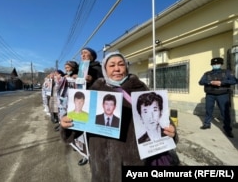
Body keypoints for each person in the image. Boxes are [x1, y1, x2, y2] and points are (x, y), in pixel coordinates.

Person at [60, 51, 178, 182]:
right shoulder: (95, 90)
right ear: (105, 69)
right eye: (112, 65)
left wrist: (170, 129)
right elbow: (80, 119)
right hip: (102, 162)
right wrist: (67, 124)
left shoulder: (140, 88)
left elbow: (159, 116)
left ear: (126, 68)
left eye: (121, 64)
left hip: (134, 159)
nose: (117, 68)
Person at [198, 57, 237, 138]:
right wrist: (210, 82)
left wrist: (221, 82)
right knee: (208, 110)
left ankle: (228, 130)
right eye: (214, 64)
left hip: (222, 95)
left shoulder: (226, 72)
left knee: (225, 113)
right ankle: (206, 124)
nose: (216, 65)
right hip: (210, 95)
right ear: (212, 65)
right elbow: (201, 82)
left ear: (221, 64)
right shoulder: (207, 73)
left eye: (217, 64)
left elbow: (234, 81)